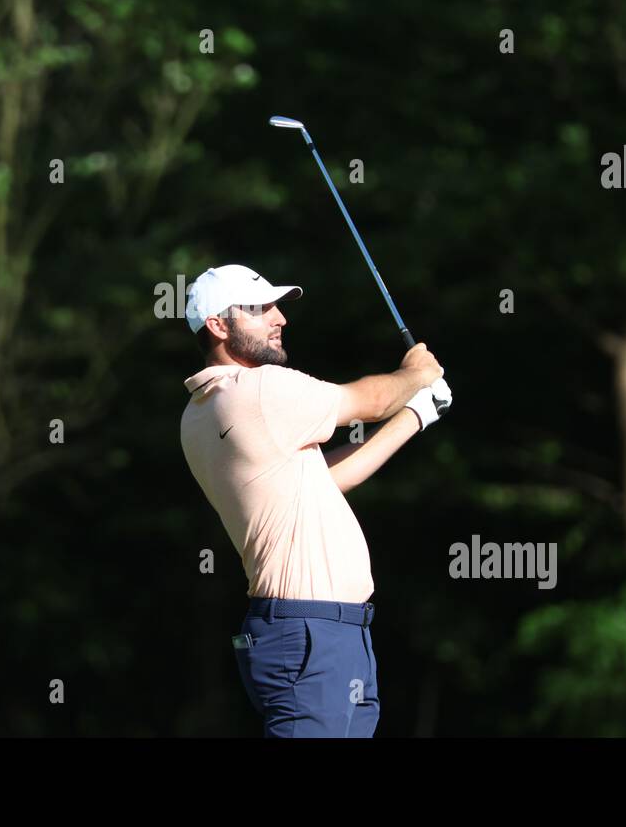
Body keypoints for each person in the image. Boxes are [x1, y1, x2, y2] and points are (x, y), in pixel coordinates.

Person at [178, 263, 447, 737]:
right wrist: (415, 375)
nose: (279, 317)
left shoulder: (202, 411)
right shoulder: (257, 391)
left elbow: (324, 479)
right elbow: (366, 400)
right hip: (309, 634)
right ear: (218, 325)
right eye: (261, 309)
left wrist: (416, 414)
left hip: (331, 633)